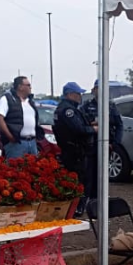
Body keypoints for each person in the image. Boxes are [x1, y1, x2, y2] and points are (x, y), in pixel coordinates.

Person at [53, 82, 97, 216]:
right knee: (80, 181)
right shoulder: (68, 110)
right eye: (78, 94)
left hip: (74, 151)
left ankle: (75, 208)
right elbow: (77, 129)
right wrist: (93, 129)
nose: (80, 96)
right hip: (74, 151)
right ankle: (77, 209)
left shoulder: (69, 108)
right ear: (70, 94)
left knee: (81, 180)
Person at [80, 79, 124, 204]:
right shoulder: (87, 106)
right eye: (98, 88)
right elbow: (80, 125)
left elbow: (119, 125)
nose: (101, 91)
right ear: (94, 90)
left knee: (103, 175)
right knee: (89, 176)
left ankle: (101, 201)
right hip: (90, 146)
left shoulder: (110, 106)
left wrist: (115, 144)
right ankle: (89, 202)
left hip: (107, 146)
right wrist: (91, 124)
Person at [0, 75, 44, 159]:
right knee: (15, 170)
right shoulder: (7, 99)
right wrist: (10, 137)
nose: (30, 87)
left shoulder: (30, 102)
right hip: (16, 143)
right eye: (28, 85)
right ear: (20, 87)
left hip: (32, 142)